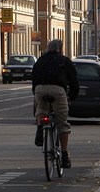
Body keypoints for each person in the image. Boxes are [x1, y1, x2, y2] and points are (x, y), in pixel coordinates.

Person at [31, 38, 80, 169]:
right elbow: (74, 82)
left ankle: (40, 127)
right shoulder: (64, 61)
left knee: (41, 110)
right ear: (61, 48)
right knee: (62, 123)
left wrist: (35, 94)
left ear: (48, 48)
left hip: (40, 89)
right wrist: (71, 97)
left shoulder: (40, 60)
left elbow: (34, 78)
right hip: (58, 90)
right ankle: (64, 155)